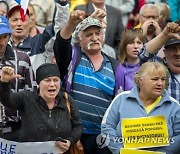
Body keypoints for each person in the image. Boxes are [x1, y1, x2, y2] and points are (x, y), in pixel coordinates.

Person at [54, 10, 125, 154]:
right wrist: (71, 23)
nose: (94, 38)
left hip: (101, 136)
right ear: (80, 40)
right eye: (88, 34)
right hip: (71, 132)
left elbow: (120, 102)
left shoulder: (116, 66)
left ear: (103, 36)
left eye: (97, 33)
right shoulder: (73, 56)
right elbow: (61, 44)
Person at [0, 63, 82, 153]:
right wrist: (4, 82)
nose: (52, 84)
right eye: (47, 80)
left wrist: (70, 141)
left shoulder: (66, 100)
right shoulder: (26, 98)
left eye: (55, 80)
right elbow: (7, 100)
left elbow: (78, 126)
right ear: (39, 83)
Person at [101, 62, 180, 154]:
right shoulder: (121, 99)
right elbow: (107, 127)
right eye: (155, 79)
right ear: (140, 80)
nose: (160, 83)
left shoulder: (174, 105)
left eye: (163, 79)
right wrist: (120, 150)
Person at [0, 15, 36, 141]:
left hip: (15, 127)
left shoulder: (22, 58)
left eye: (5, 37)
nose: (2, 43)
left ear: (9, 36)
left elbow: (31, 95)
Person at [139, 22, 180, 102]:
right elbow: (143, 55)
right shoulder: (157, 67)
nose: (178, 53)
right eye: (173, 49)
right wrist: (165, 35)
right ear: (165, 52)